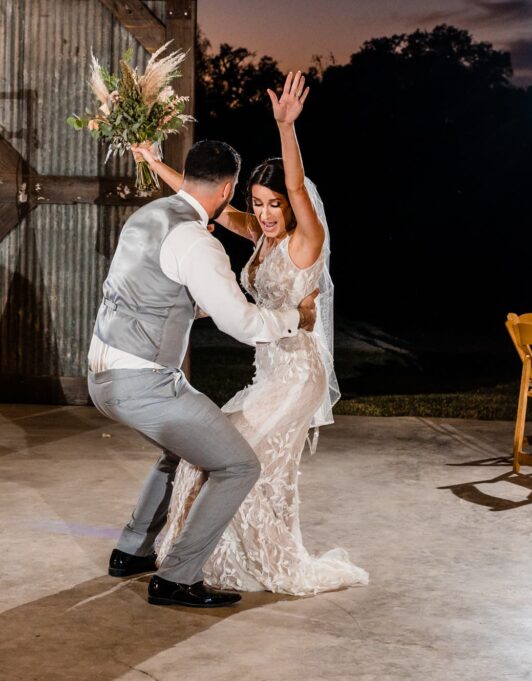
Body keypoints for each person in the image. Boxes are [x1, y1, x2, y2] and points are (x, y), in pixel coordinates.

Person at [141, 73, 368, 595]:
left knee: (244, 464)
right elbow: (204, 200)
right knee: (219, 455)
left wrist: (286, 128)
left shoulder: (306, 241)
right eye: (258, 203)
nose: (265, 213)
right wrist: (154, 162)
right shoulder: (260, 236)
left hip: (297, 376)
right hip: (268, 374)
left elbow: (295, 183)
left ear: (293, 205)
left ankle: (269, 561)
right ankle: (200, 560)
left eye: (275, 204)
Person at [90, 139, 320, 608]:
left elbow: (153, 292)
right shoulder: (197, 241)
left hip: (100, 374)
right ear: (231, 188)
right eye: (253, 201)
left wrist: (155, 165)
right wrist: (297, 317)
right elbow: (242, 324)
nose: (262, 212)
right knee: (239, 465)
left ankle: (131, 551)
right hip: (144, 383)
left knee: (182, 450)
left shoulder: (146, 217)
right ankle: (177, 577)